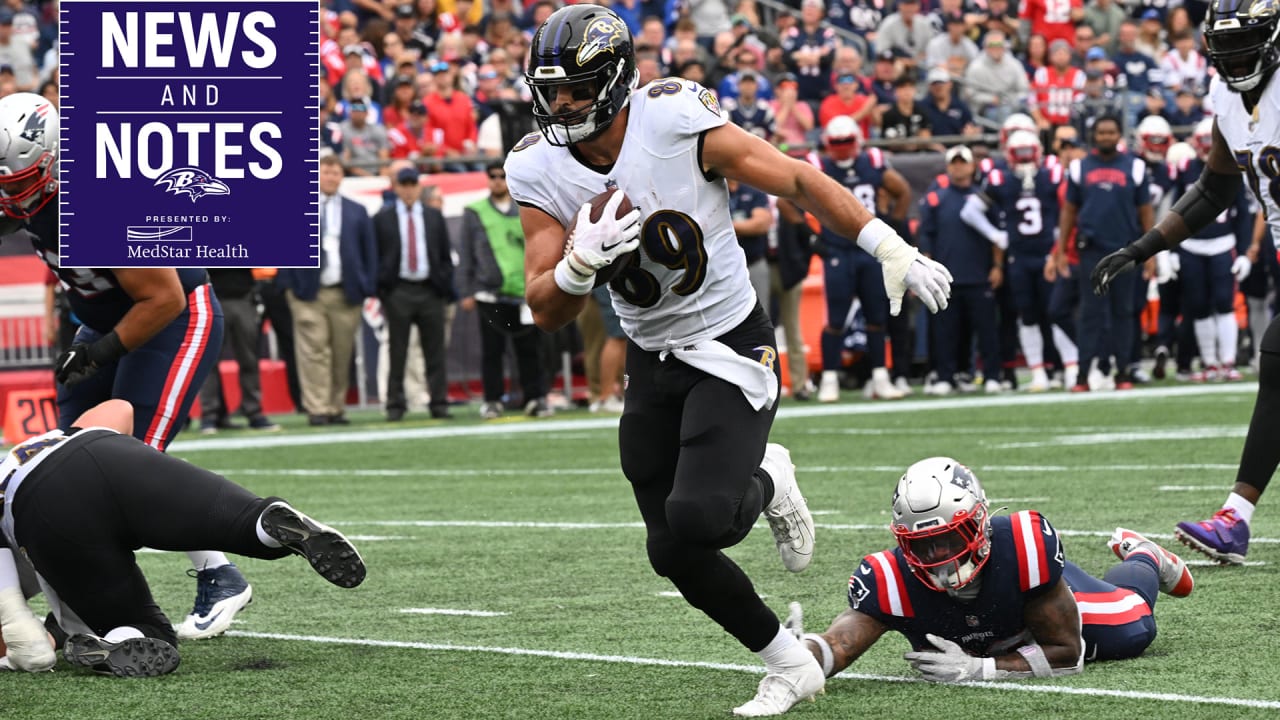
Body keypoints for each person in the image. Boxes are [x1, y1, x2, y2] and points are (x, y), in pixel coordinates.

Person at [504, 6, 953, 716]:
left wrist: (885, 244)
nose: (562, 104)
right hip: (652, 357)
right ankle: (789, 663)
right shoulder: (536, 165)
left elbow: (797, 180)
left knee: (704, 518)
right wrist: (577, 267)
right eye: (552, 89)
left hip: (729, 342)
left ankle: (770, 477)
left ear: (618, 81)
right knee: (670, 550)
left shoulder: (674, 119)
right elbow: (543, 306)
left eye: (578, 89)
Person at [0, 93, 260, 642]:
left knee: (122, 462)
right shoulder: (28, 188)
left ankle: (220, 574)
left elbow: (162, 298)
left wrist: (98, 351)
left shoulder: (96, 196)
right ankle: (73, 609)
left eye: (16, 177)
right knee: (60, 457)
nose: (8, 189)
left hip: (173, 316)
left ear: (50, 159)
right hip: (107, 321)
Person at [1090, 0, 1280, 564]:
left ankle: (1235, 517)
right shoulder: (1225, 99)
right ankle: (1236, 519)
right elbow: (1214, 189)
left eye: (1248, 45)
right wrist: (1143, 246)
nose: (1238, 58)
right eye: (1228, 48)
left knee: (1275, 358)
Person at [0, 399, 365, 676]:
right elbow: (119, 408)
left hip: (45, 507)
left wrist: (30, 646)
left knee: (150, 632)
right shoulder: (32, 447)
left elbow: (27, 645)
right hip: (106, 453)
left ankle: (122, 636)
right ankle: (265, 528)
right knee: (245, 520)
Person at [786, 457, 1193, 686]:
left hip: (1035, 608)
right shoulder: (890, 578)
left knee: (1135, 624)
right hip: (1010, 621)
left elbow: (1069, 655)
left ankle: (1144, 558)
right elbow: (838, 644)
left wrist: (981, 669)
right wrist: (799, 653)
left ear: (979, 523)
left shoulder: (1022, 548)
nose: (938, 556)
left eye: (948, 538)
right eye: (922, 545)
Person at [962, 130, 1078, 392]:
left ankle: (1071, 367)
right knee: (1027, 317)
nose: (1025, 161)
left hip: (1047, 256)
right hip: (1020, 258)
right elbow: (969, 211)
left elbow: (1068, 211)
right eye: (1020, 155)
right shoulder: (1000, 179)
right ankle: (1038, 373)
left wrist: (1059, 244)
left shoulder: (1052, 176)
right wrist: (996, 235)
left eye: (1028, 154)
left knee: (1058, 313)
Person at [814, 116, 912, 402]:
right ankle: (829, 379)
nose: (843, 149)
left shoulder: (873, 162)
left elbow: (903, 190)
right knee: (835, 318)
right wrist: (809, 235)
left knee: (876, 318)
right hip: (838, 251)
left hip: (869, 250)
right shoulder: (820, 166)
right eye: (837, 143)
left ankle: (880, 377)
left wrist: (892, 223)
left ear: (857, 140)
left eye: (847, 142)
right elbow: (786, 199)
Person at [1052, 115, 1153, 390]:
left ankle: (1123, 372)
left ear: (1119, 134)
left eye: (1111, 132)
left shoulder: (1135, 167)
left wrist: (1152, 252)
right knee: (1089, 314)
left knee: (1124, 312)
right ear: (1093, 135)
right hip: (1091, 251)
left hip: (1126, 250)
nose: (1106, 136)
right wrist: (1060, 250)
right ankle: (1083, 374)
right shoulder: (1078, 168)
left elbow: (1145, 210)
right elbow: (1069, 211)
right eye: (1102, 132)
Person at [280, 153, 379, 427]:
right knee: (313, 351)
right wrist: (290, 286)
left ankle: (336, 406)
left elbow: (368, 252)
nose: (331, 177)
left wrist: (366, 285)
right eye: (326, 172)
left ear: (342, 177)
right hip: (308, 293)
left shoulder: (356, 210)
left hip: (345, 292)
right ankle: (317, 407)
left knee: (341, 351)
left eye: (335, 173)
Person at [458, 161, 551, 419]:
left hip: (525, 293)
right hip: (490, 294)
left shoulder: (526, 209)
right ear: (487, 179)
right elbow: (465, 253)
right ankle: (492, 399)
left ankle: (535, 397)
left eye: (502, 175)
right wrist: (466, 290)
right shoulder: (474, 212)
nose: (498, 180)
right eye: (493, 176)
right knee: (492, 350)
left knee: (530, 349)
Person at [919, 146, 1004, 395]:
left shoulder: (983, 196)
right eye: (954, 163)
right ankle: (946, 375)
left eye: (962, 162)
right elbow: (926, 236)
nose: (958, 167)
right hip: (947, 276)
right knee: (945, 331)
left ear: (971, 166)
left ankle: (992, 375)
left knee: (987, 330)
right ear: (947, 167)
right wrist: (928, 269)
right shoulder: (937, 198)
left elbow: (997, 235)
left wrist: (997, 265)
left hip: (979, 274)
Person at [374, 165, 455, 421]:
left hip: (429, 289)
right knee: (397, 351)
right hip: (398, 289)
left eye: (412, 185)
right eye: (403, 185)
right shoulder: (382, 218)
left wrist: (441, 283)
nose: (408, 190)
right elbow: (376, 256)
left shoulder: (433, 216)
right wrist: (384, 288)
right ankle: (395, 405)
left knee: (435, 350)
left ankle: (438, 403)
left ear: (419, 187)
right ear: (396, 187)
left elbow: (444, 255)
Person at [198, 269, 281, 433]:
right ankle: (210, 414)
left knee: (249, 359)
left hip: (243, 298)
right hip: (211, 298)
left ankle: (254, 411)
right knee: (209, 362)